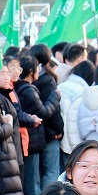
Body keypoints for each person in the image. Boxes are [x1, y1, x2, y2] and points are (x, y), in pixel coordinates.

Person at [15, 55, 60, 195]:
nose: (39, 70)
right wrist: (55, 97)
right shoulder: (27, 89)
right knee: (32, 182)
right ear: (31, 71)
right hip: (31, 141)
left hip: (31, 140)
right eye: (37, 68)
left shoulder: (19, 88)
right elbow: (43, 112)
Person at [29, 44, 64, 186]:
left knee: (39, 174)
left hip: (36, 132)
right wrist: (58, 130)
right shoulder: (47, 79)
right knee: (51, 172)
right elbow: (53, 110)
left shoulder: (32, 78)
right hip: (49, 133)